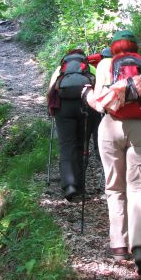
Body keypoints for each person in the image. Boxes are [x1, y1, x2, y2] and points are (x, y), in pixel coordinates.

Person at [83, 30, 141, 275]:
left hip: (110, 127)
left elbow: (99, 102)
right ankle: (140, 246)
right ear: (135, 47)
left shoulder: (105, 66)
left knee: (114, 187)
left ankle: (119, 245)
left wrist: (88, 95)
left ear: (114, 47)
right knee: (140, 188)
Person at [47, 49, 99, 201]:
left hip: (63, 109)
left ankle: (69, 186)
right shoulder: (90, 69)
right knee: (82, 146)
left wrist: (51, 109)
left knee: (67, 145)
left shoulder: (60, 70)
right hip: (86, 106)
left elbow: (50, 91)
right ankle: (81, 187)